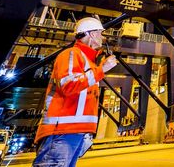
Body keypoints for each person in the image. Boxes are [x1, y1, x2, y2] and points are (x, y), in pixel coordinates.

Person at [32, 17, 118, 167]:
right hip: (62, 132)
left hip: (75, 131)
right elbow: (69, 85)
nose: (102, 37)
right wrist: (102, 69)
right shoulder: (72, 54)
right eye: (99, 33)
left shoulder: (89, 62)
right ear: (91, 34)